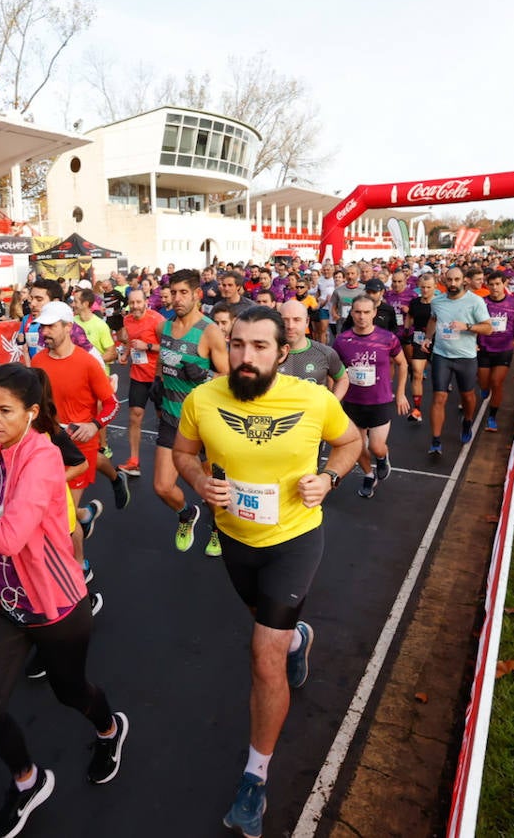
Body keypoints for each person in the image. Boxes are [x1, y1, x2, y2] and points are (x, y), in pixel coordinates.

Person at [173, 307, 360, 838]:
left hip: (295, 540)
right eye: (237, 345)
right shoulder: (203, 399)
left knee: (262, 652)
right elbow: (186, 454)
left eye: (259, 346)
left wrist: (329, 479)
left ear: (282, 353)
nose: (245, 356)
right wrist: (200, 483)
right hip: (236, 541)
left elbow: (351, 443)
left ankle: (255, 777)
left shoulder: (313, 398)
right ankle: (299, 638)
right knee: (267, 625)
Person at [0, 364, 127, 838]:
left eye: (5, 411)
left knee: (70, 692)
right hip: (6, 604)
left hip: (56, 604)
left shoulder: (41, 459)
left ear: (32, 412)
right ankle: (28, 781)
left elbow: (11, 535)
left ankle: (110, 730)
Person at [32, 302, 120, 604]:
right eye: (42, 326)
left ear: (69, 327)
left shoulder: (87, 362)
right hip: (48, 444)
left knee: (60, 517)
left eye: (51, 326)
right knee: (60, 509)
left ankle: (80, 566)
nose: (44, 332)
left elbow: (112, 404)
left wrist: (94, 426)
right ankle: (88, 513)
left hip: (80, 450)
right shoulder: (37, 361)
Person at [154, 269, 229, 555]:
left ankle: (219, 527)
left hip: (203, 423)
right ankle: (186, 515)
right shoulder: (164, 328)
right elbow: (163, 363)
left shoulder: (210, 331)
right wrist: (157, 386)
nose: (177, 298)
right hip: (172, 417)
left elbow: (227, 375)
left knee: (210, 487)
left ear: (197, 294)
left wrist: (204, 375)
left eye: (183, 292)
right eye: (173, 293)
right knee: (162, 486)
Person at [331, 296, 410, 498]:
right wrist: (333, 399)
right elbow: (334, 370)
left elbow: (403, 364)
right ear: (351, 313)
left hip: (380, 401)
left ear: (375, 313)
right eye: (357, 312)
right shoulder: (342, 340)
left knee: (376, 446)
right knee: (356, 446)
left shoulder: (388, 338)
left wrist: (400, 394)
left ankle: (383, 458)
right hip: (352, 403)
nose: (362, 317)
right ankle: (368, 475)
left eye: (367, 312)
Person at [425, 267, 494, 455]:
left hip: (466, 357)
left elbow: (488, 329)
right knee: (439, 397)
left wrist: (468, 326)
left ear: (464, 280)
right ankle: (436, 440)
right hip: (441, 355)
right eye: (449, 280)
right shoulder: (437, 301)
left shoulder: (475, 301)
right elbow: (433, 320)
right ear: (444, 281)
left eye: (457, 280)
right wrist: (428, 338)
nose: (453, 284)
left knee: (468, 396)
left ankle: (468, 421)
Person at [116, 288, 164, 478]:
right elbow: (129, 340)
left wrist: (148, 346)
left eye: (138, 302)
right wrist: (126, 354)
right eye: (132, 303)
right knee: (135, 416)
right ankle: (134, 461)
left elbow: (169, 346)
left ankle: (171, 459)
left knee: (164, 420)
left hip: (158, 376)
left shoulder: (157, 320)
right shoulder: (127, 320)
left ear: (146, 302)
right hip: (138, 375)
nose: (135, 306)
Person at [477, 272, 514, 432]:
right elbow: (473, 322)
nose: (495, 288)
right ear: (487, 285)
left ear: (505, 284)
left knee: (496, 382)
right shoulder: (482, 303)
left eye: (498, 284)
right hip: (484, 348)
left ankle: (492, 417)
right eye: (491, 284)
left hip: (504, 349)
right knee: (484, 383)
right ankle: (484, 389)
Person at [277, 301, 348, 398]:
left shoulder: (325, 353)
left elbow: (342, 379)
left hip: (314, 413)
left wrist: (333, 403)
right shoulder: (267, 353)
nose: (290, 326)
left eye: (297, 320)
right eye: (285, 320)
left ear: (307, 322)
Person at [403, 271, 439, 424]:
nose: (425, 290)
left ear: (435, 287)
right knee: (417, 373)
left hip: (438, 342)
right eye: (423, 287)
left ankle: (438, 407)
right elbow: (410, 316)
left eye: (428, 287)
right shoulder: (415, 302)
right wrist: (406, 330)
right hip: (418, 339)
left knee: (439, 378)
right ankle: (416, 409)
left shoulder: (440, 303)